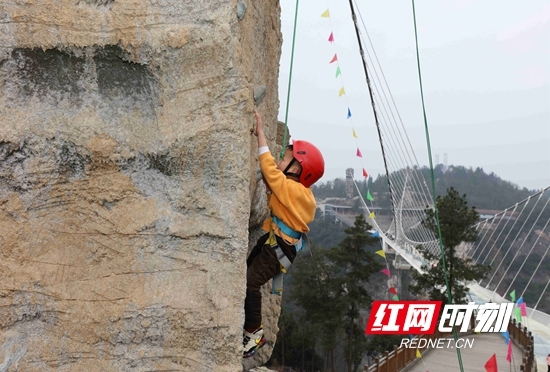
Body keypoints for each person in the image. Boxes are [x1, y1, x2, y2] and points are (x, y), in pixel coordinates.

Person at [243, 110, 324, 358]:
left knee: (251, 282)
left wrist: (261, 133)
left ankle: (254, 334)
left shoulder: (294, 190)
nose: (279, 160)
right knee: (246, 273)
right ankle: (248, 323)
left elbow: (270, 171)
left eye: (285, 158)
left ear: (298, 169)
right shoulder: (296, 191)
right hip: (275, 243)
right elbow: (276, 184)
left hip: (278, 248)